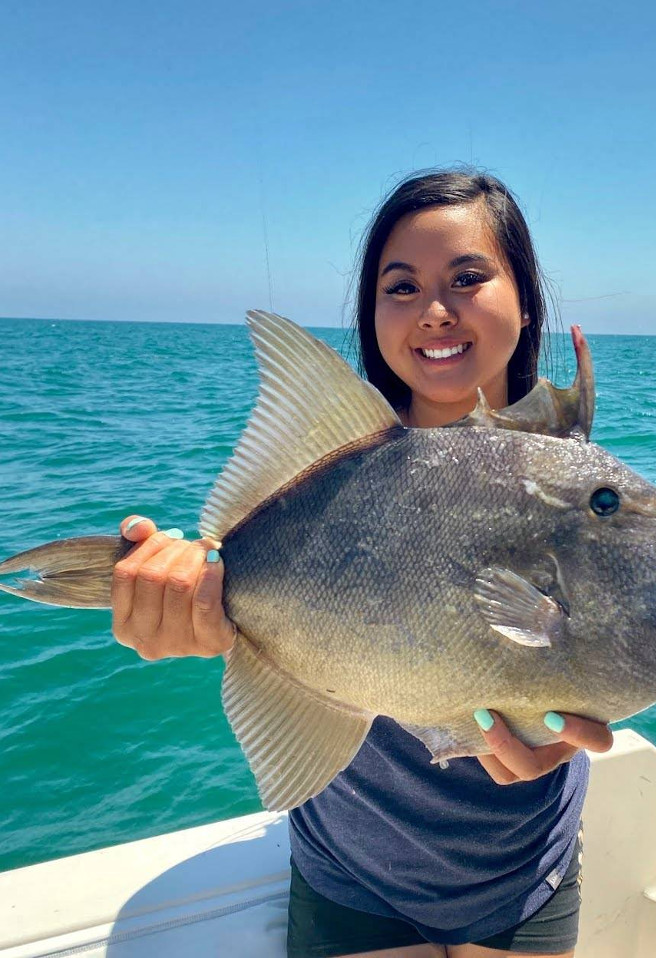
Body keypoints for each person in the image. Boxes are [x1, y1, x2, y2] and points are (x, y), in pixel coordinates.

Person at [111, 170, 613, 958]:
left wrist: (573, 724)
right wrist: (179, 605)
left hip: (526, 863)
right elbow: (239, 567)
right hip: (353, 868)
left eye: (469, 278)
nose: (435, 310)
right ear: (371, 311)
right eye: (401, 286)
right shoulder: (331, 460)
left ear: (525, 296)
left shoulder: (575, 478)